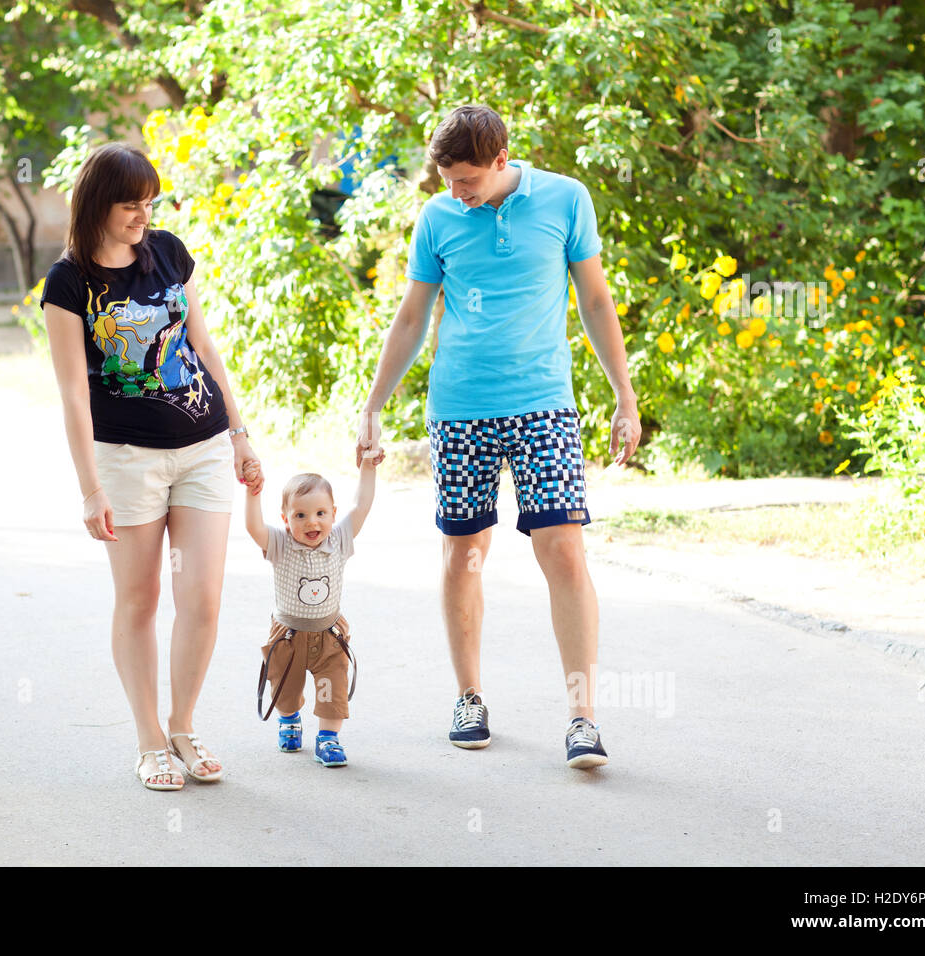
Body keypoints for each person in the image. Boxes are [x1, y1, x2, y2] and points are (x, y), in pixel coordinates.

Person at [355, 105, 641, 769]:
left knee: (564, 551)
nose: (458, 192)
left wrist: (625, 396)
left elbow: (596, 301)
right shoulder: (437, 219)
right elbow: (411, 317)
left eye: (468, 180)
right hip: (460, 409)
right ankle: (469, 696)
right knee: (464, 553)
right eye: (448, 180)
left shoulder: (566, 200)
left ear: (503, 157)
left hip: (543, 403)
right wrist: (374, 405)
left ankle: (581, 717)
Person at [41, 143, 264, 791]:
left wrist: (241, 432)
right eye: (130, 204)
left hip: (203, 446)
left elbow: (203, 343)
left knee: (204, 598)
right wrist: (90, 490)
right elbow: (73, 395)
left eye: (149, 203)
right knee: (140, 600)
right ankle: (148, 740)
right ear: (97, 206)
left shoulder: (167, 249)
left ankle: (184, 726)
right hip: (127, 459)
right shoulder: (69, 282)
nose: (143, 215)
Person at [242, 458, 378, 767]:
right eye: (300, 515)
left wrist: (368, 468)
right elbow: (253, 527)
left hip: (330, 635)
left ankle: (328, 739)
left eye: (320, 513)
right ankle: (289, 719)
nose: (311, 522)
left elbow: (362, 506)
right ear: (286, 518)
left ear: (333, 513)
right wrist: (253, 493)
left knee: (333, 686)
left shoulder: (339, 540)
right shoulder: (280, 543)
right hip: (288, 634)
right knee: (285, 687)